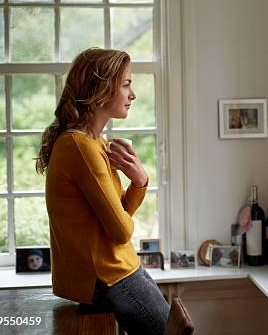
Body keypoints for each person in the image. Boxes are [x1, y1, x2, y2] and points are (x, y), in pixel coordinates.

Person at [36, 48, 169, 334]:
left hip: (119, 271)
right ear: (100, 90)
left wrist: (139, 181)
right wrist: (133, 197)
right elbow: (120, 230)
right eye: (126, 84)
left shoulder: (94, 143)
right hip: (111, 277)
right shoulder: (80, 147)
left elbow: (116, 215)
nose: (132, 94)